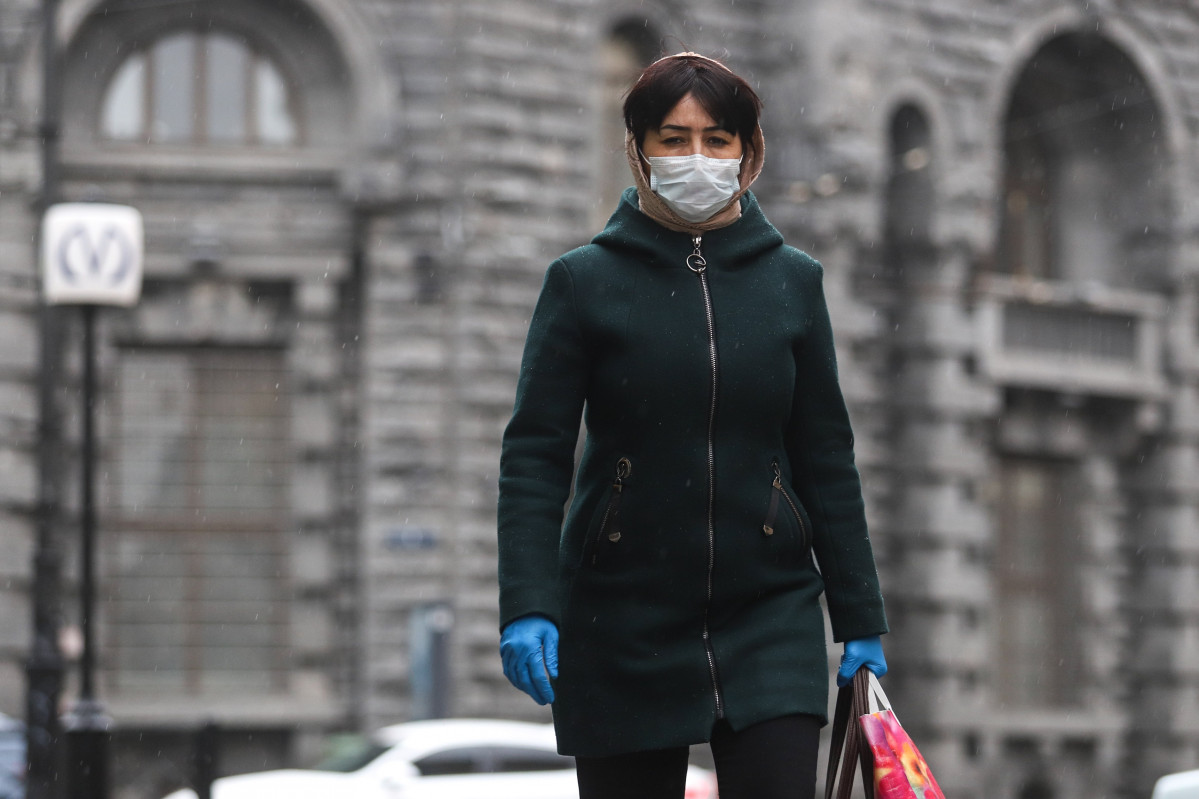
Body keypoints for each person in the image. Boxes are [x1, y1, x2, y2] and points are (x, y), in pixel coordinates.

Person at [497, 52, 888, 799]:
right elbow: (534, 454)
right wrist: (528, 602)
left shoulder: (792, 284)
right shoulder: (583, 282)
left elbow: (825, 455)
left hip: (768, 613)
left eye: (717, 139)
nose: (696, 158)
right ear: (638, 149)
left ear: (749, 151)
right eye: (673, 139)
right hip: (619, 616)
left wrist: (859, 615)